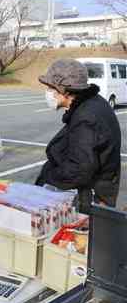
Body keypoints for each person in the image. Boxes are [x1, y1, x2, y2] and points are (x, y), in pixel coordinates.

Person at [36, 59, 121, 212]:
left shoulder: (86, 117)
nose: (47, 93)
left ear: (65, 90)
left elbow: (79, 170)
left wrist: (48, 175)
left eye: (50, 88)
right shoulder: (93, 103)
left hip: (88, 199)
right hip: (96, 191)